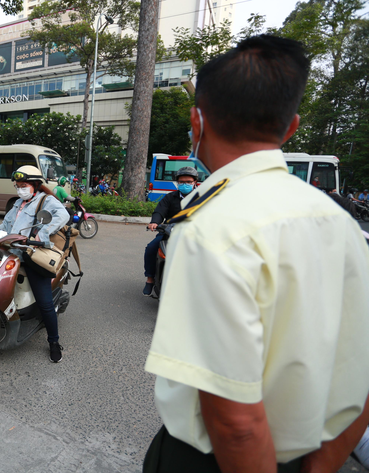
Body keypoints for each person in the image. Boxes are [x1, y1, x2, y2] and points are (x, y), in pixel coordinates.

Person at [143, 35, 369, 473]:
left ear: (196, 123)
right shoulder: (345, 227)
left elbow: (237, 424)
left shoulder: (212, 228)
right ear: (291, 128)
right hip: (314, 455)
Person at [0, 165, 69, 363]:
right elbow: (5, 225)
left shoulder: (46, 200)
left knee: (45, 303)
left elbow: (63, 216)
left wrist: (38, 234)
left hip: (31, 256)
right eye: (17, 186)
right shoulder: (18, 203)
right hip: (10, 255)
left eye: (23, 186)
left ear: (34, 185)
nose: (19, 189)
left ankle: (53, 342)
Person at [142, 167, 198, 296]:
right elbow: (160, 211)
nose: (185, 184)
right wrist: (155, 222)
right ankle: (150, 279)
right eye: (182, 182)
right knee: (151, 248)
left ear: (195, 182)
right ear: (177, 182)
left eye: (188, 182)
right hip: (169, 231)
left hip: (193, 233)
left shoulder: (202, 197)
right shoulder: (170, 197)